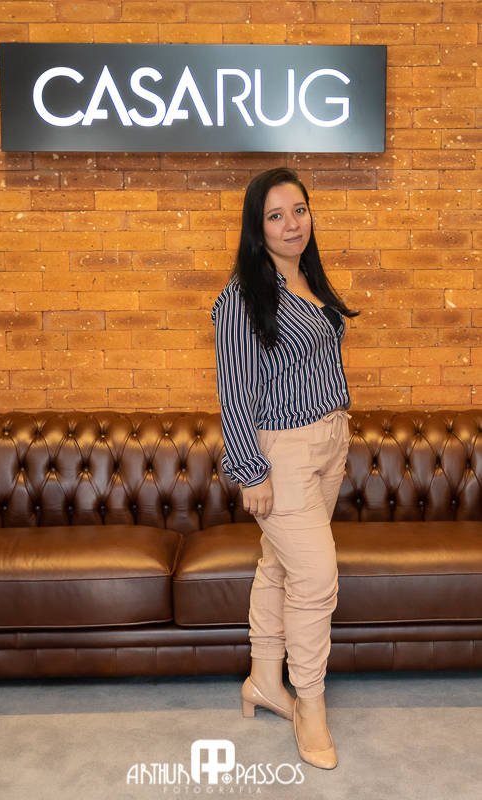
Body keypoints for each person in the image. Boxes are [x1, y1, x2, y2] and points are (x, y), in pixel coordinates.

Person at [211, 167, 358, 770]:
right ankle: (310, 706)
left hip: (330, 442)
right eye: (275, 215)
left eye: (298, 210)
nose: (291, 224)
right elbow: (234, 391)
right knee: (317, 578)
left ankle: (264, 681)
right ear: (257, 226)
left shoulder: (308, 279)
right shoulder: (241, 297)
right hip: (283, 451)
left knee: (280, 566)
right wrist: (251, 471)